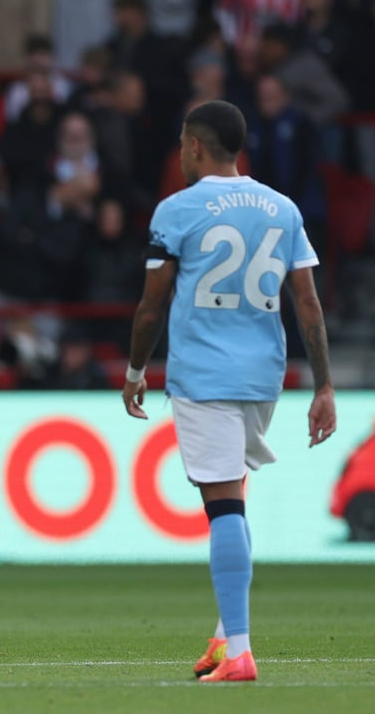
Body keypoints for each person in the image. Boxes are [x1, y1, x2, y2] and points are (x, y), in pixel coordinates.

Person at [121, 100, 336, 683]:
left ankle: (240, 652)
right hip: (264, 375)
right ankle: (223, 637)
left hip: (204, 375)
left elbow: (152, 304)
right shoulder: (281, 208)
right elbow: (309, 304)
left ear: (193, 145)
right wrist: (324, 386)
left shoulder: (177, 209)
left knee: (222, 507)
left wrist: (136, 372)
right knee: (232, 497)